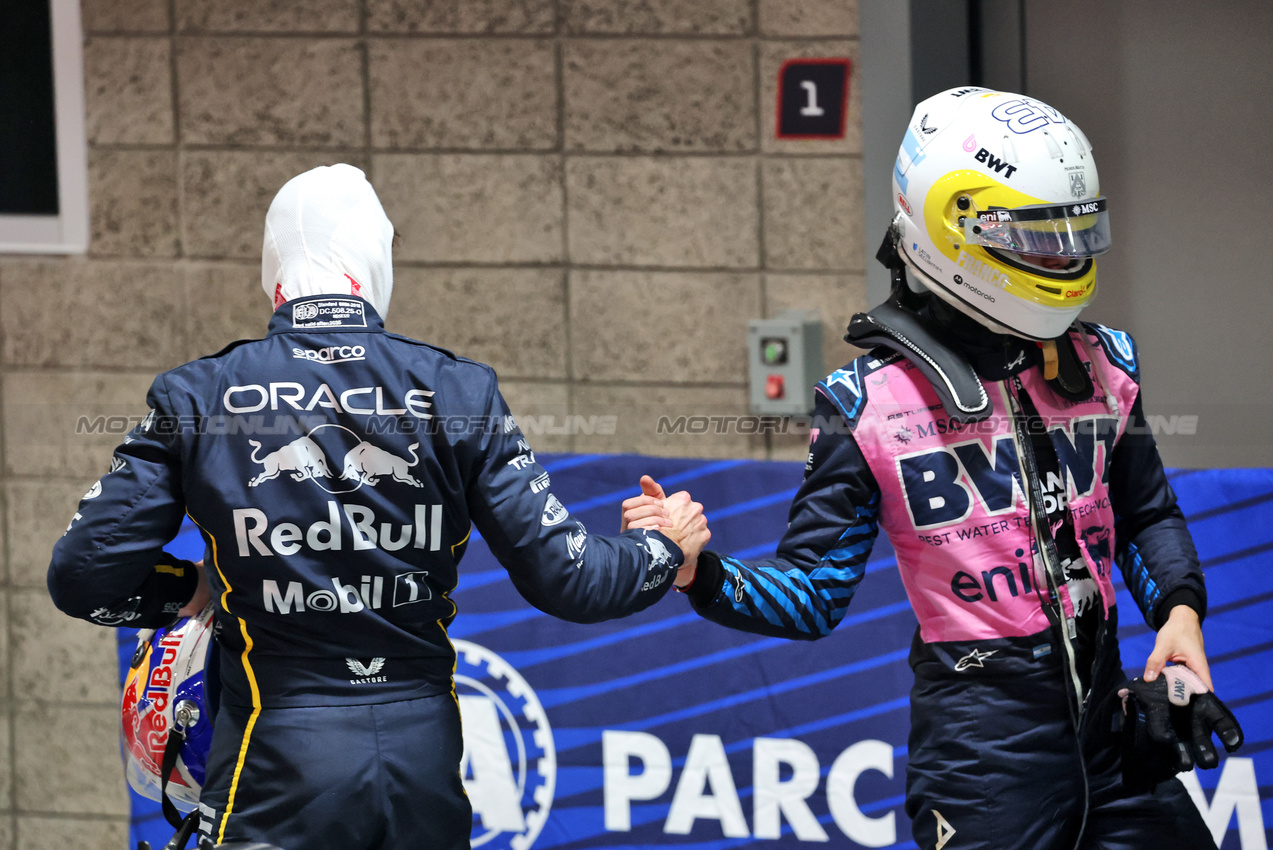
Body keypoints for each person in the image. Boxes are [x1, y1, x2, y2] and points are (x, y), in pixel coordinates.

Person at [623, 88, 1241, 849]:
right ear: (955, 232)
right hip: (984, 754)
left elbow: (1146, 512)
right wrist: (697, 571)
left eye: (1074, 236)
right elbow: (812, 596)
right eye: (1039, 240)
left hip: (1114, 733)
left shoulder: (1101, 362)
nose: (1064, 258)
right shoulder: (867, 404)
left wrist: (1179, 614)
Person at [48, 163, 710, 850]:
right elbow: (572, 580)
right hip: (422, 757)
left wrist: (189, 586)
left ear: (274, 267)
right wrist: (663, 547)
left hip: (278, 754)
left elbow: (85, 577)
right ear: (372, 257)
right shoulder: (458, 391)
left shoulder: (197, 394)